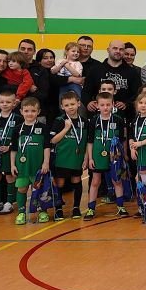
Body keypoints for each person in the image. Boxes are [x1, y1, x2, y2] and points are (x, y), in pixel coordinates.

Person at [85, 92, 129, 218]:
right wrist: (90, 158)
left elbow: (123, 140)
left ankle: (121, 207)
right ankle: (91, 209)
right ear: (97, 106)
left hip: (115, 156)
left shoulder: (118, 120)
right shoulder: (94, 121)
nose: (105, 107)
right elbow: (90, 142)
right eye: (102, 105)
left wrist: (124, 155)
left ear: (113, 105)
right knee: (95, 182)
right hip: (97, 156)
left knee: (117, 181)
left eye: (108, 105)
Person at [10, 97, 52, 225]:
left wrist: (46, 162)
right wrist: (12, 165)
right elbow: (14, 149)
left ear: (38, 112)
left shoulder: (43, 128)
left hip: (38, 166)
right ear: (21, 111)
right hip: (22, 166)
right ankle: (21, 212)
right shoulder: (17, 129)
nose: (30, 114)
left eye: (33, 111)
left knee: (39, 189)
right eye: (26, 111)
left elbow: (47, 147)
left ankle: (42, 211)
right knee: (22, 188)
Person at [50, 91, 88, 220]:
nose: (70, 107)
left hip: (77, 158)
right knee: (60, 182)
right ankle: (58, 209)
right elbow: (53, 140)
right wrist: (66, 128)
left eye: (72, 104)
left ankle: (76, 208)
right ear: (62, 107)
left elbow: (87, 142)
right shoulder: (59, 121)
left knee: (76, 180)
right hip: (61, 158)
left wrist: (86, 157)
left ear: (78, 103)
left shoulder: (84, 121)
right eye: (66, 105)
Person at [84, 40, 140, 117]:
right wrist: (88, 102)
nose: (118, 51)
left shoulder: (132, 72)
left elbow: (137, 93)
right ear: (108, 50)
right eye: (115, 48)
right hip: (98, 115)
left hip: (125, 115)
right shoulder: (95, 70)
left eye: (121, 49)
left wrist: (127, 104)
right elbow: (86, 91)